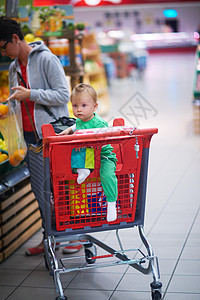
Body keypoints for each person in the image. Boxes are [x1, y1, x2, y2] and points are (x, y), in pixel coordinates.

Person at [0, 16, 82, 255]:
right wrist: (7, 107)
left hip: (54, 134)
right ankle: (51, 238)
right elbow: (21, 99)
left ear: (15, 39)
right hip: (30, 139)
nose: (3, 53)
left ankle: (74, 236)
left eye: (3, 47)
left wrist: (31, 94)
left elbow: (62, 95)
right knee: (41, 192)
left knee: (62, 188)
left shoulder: (47, 59)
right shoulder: (14, 67)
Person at [59, 83, 118, 223]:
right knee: (74, 150)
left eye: (84, 106)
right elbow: (77, 124)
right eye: (75, 106)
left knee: (108, 174)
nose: (78, 110)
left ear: (95, 107)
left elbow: (106, 138)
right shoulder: (79, 120)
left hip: (104, 156)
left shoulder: (100, 123)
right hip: (86, 154)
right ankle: (83, 169)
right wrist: (69, 130)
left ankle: (111, 204)